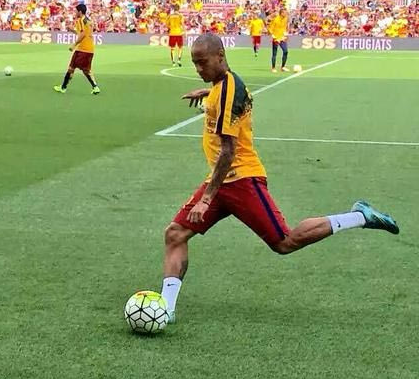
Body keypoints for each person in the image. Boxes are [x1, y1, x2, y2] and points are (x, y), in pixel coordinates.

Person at [160, 33, 399, 324]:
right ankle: (166, 310)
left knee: (285, 242)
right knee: (175, 234)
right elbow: (228, 94)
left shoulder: (227, 92)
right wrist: (208, 94)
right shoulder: (224, 85)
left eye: (203, 62)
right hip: (221, 180)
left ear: (220, 56)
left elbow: (228, 151)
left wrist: (206, 199)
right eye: (195, 63)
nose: (199, 68)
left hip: (242, 180)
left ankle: (360, 216)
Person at [54, 4, 100, 95]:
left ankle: (63, 87)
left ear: (80, 12)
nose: (75, 13)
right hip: (89, 49)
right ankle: (95, 87)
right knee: (82, 69)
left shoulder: (81, 20)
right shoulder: (88, 21)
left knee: (74, 68)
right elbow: (83, 33)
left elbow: (83, 35)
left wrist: (74, 45)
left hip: (83, 49)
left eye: (76, 11)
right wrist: (72, 30)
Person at [268, 8, 289, 72]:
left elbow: (285, 28)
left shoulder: (286, 19)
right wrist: (274, 37)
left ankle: (283, 67)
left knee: (286, 51)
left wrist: (285, 35)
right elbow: (270, 29)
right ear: (281, 13)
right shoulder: (275, 20)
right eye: (285, 13)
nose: (286, 14)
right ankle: (273, 68)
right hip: (276, 38)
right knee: (274, 53)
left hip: (282, 38)